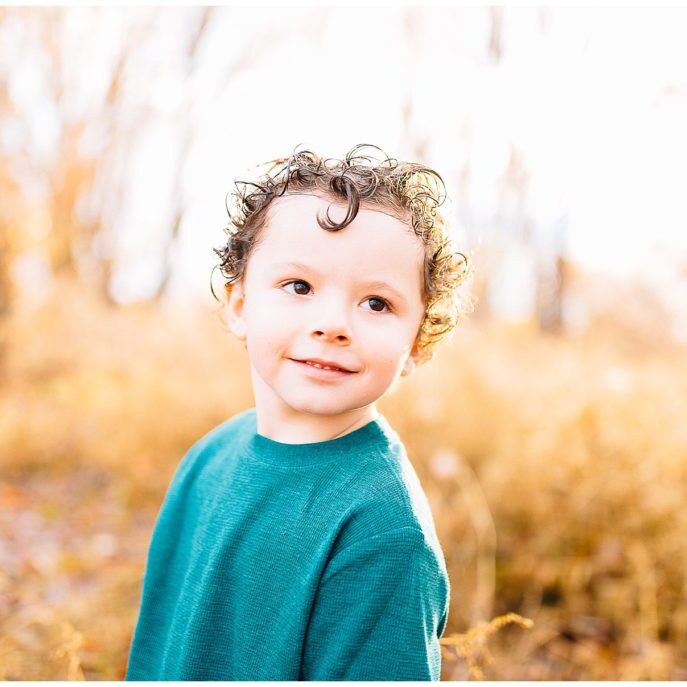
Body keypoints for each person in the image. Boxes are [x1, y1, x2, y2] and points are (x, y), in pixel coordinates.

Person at [125, 144, 473, 681]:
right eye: (300, 287)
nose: (332, 323)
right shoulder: (209, 458)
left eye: (377, 303)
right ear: (240, 305)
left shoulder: (383, 534)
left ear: (419, 343)